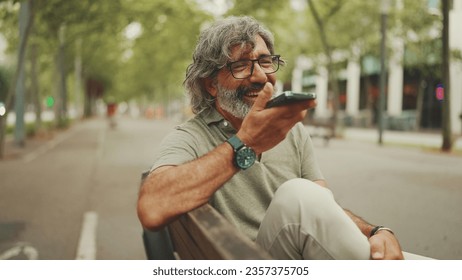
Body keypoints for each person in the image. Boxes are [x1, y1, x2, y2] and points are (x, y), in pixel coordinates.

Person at [137, 16, 404, 260]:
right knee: (297, 193)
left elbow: (322, 212)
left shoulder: (292, 130)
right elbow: (152, 207)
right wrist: (245, 143)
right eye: (241, 65)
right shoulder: (190, 137)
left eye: (265, 61)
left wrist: (373, 232)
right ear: (211, 85)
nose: (261, 75)